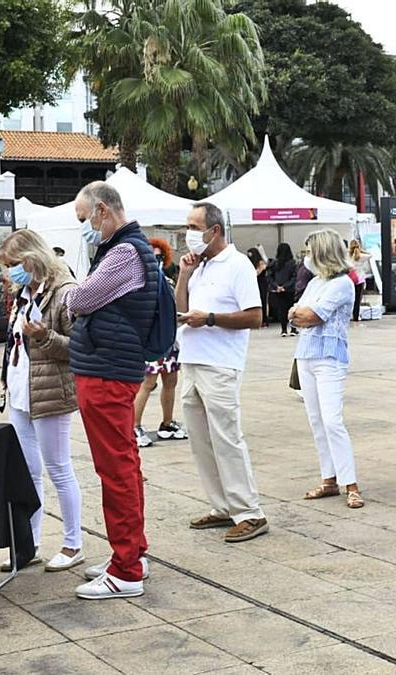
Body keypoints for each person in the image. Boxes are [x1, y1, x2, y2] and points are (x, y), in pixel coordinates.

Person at [67, 181, 158, 600]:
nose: (84, 228)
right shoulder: (127, 249)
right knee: (123, 467)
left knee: (116, 471)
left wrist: (66, 290)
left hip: (106, 371)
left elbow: (82, 298)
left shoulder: (123, 253)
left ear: (102, 211)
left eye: (84, 219)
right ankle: (132, 554)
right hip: (110, 368)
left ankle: (126, 570)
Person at [175, 202, 270, 539]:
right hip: (192, 359)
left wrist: (211, 319)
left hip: (220, 363)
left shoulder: (238, 265)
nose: (188, 234)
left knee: (227, 439)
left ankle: (249, 511)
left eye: (193, 226)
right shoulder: (199, 266)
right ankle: (222, 506)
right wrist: (184, 276)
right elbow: (180, 308)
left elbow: (255, 317)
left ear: (213, 230)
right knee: (201, 441)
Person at [0, 229, 85, 572]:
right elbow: (13, 341)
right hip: (21, 391)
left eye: (13, 265)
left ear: (32, 259)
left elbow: (78, 347)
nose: (9, 272)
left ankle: (72, 543)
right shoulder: (24, 291)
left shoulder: (65, 292)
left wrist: (44, 336)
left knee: (59, 468)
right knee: (28, 471)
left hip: (51, 392)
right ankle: (29, 543)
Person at [288, 229, 361, 508]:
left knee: (332, 420)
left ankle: (350, 482)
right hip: (306, 354)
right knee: (316, 420)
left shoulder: (342, 283)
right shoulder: (316, 282)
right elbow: (296, 315)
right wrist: (299, 313)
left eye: (309, 251)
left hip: (330, 356)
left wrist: (299, 313)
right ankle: (328, 478)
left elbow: (311, 315)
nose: (306, 257)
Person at [134, 238, 187, 449]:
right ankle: (134, 425)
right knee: (148, 383)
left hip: (169, 340)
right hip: (151, 341)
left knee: (170, 380)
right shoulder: (139, 283)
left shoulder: (167, 281)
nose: (156, 260)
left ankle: (167, 423)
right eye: (152, 256)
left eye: (160, 257)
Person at [267, 243, 298, 336]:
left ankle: (283, 330)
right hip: (290, 290)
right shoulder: (293, 263)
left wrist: (276, 286)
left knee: (281, 310)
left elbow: (269, 276)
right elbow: (294, 277)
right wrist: (286, 286)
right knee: (292, 309)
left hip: (278, 290)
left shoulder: (274, 263)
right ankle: (293, 329)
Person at [348, 240, 372, 321]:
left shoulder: (348, 256)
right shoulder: (361, 256)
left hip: (350, 279)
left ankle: (349, 315)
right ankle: (356, 316)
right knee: (358, 299)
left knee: (350, 299)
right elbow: (370, 255)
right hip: (359, 280)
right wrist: (361, 250)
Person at [247, 246, 270, 326]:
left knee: (263, 301)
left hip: (262, 284)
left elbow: (258, 272)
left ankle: (264, 320)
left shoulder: (261, 262)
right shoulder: (250, 263)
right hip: (254, 284)